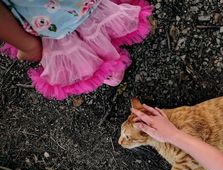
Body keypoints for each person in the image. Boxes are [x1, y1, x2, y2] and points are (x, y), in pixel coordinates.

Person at [0, 0, 152, 100]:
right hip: (50, 22)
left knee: (95, 28)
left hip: (82, 5)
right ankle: (103, 66)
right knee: (77, 43)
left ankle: (109, 62)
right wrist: (27, 44)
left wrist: (29, 46)